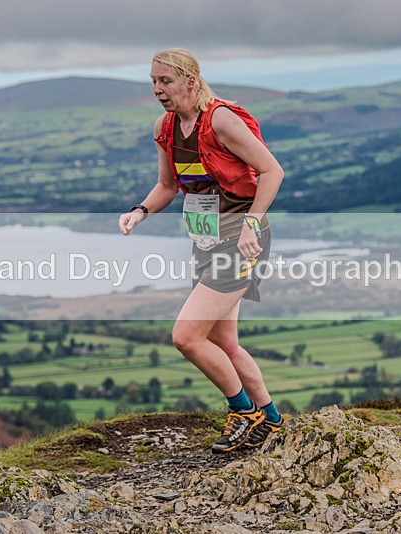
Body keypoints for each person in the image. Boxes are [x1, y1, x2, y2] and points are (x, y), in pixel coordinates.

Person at [119, 48, 284, 453]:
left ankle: (243, 412)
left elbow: (272, 171)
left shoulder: (220, 120)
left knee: (186, 336)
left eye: (166, 81)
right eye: (154, 81)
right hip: (205, 241)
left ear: (191, 82)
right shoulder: (165, 128)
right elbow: (168, 187)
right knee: (225, 344)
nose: (158, 89)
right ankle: (273, 420)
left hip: (242, 241)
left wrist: (252, 222)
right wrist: (140, 211)